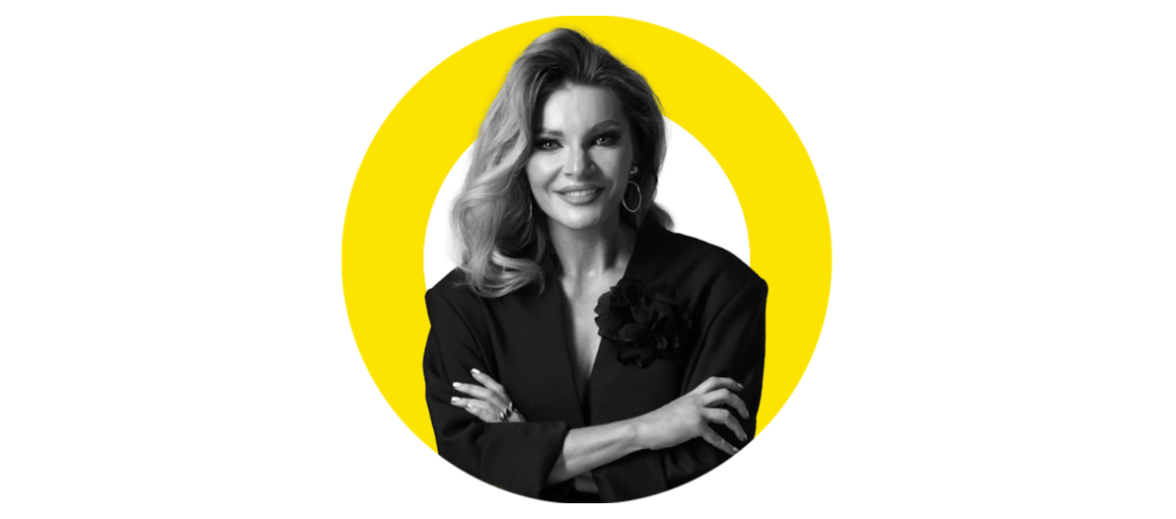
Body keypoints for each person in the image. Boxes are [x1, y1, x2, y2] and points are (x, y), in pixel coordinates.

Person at [422, 28, 768, 504]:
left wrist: (529, 449)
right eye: (548, 144)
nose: (577, 167)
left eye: (602, 139)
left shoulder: (724, 289)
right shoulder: (463, 303)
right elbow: (469, 461)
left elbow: (709, 461)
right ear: (519, 159)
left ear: (636, 153)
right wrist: (647, 430)